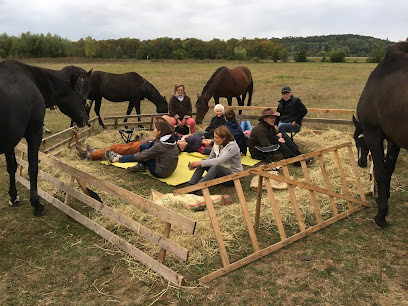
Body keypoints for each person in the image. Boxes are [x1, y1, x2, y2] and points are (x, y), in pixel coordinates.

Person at [75, 115, 171, 161]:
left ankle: (90, 155)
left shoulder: (165, 139)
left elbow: (155, 148)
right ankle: (95, 152)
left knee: (115, 149)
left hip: (139, 148)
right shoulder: (163, 136)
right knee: (117, 147)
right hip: (139, 144)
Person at [105, 121, 179, 178]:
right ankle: (140, 164)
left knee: (144, 155)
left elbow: (142, 156)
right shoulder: (171, 140)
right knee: (144, 146)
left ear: (160, 131)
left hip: (160, 172)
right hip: (169, 169)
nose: (154, 130)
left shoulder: (160, 146)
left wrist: (122, 158)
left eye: (155, 129)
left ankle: (116, 159)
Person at [249, 108, 313, 166]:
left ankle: (299, 154)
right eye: (271, 118)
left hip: (264, 146)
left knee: (282, 135)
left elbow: (276, 134)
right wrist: (278, 141)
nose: (274, 119)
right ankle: (294, 161)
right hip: (258, 152)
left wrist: (279, 136)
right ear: (265, 119)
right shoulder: (260, 130)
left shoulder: (269, 125)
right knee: (279, 142)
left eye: (274, 117)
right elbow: (267, 146)